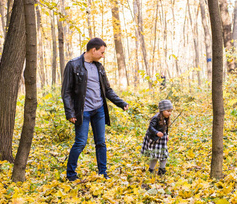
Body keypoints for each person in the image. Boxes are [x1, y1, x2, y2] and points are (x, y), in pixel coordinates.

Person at [62, 38, 128, 181]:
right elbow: (66, 92)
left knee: (101, 142)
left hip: (99, 111)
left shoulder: (99, 67)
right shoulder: (73, 65)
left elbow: (107, 90)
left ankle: (102, 173)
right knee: (80, 143)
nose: (103, 56)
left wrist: (121, 103)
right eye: (102, 52)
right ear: (93, 50)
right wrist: (70, 113)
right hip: (82, 112)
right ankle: (71, 174)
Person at [140, 100, 173, 175]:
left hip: (162, 139)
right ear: (162, 110)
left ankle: (162, 170)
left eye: (170, 111)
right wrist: (157, 133)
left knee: (164, 155)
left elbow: (166, 127)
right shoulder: (155, 118)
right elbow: (151, 128)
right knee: (155, 155)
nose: (170, 113)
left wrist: (166, 134)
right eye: (168, 111)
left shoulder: (166, 117)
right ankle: (151, 170)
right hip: (154, 139)